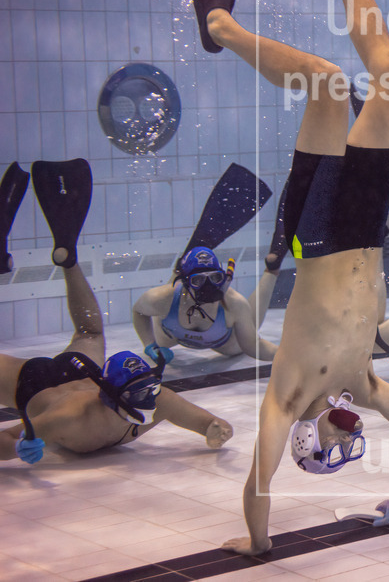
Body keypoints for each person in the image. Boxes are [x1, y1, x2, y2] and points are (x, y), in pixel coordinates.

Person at [183, 0, 389, 555]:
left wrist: (260, 544)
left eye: (339, 440)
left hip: (321, 232)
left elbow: (258, 481)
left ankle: (220, 27)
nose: (351, 427)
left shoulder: (287, 395)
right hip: (366, 227)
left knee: (327, 84)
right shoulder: (364, 384)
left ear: (308, 440)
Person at [1, 159, 233, 464]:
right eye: (141, 394)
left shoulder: (155, 398)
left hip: (81, 366)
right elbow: (5, 438)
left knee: (90, 332)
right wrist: (15, 448)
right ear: (110, 399)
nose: (150, 398)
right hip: (35, 383)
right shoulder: (67, 418)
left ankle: (68, 260)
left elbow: (212, 423)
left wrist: (217, 430)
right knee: (89, 332)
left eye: (150, 388)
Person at [131, 244, 280, 362]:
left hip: (223, 343)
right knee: (167, 304)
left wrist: (286, 356)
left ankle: (271, 271)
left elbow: (254, 346)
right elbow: (139, 311)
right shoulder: (161, 297)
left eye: (215, 278)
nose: (208, 286)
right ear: (185, 282)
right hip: (169, 336)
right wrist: (150, 346)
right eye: (198, 280)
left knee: (250, 325)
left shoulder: (234, 303)